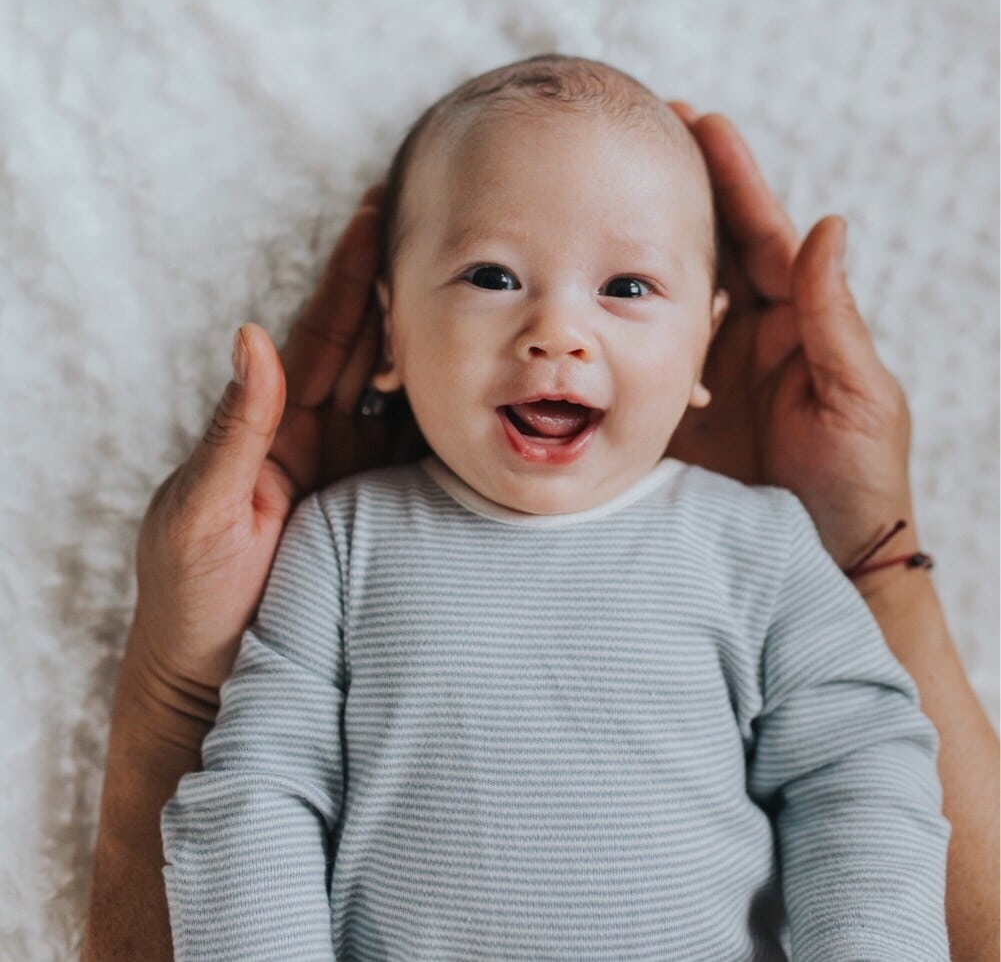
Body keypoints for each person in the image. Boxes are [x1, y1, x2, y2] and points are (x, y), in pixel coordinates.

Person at [81, 62, 1000, 961]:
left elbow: (857, 775)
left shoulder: (757, 544)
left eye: (626, 288)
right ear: (394, 332)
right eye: (490, 276)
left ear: (702, 348)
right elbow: (260, 792)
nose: (556, 331)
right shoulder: (342, 541)